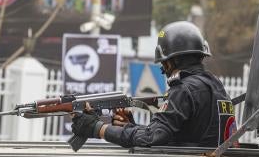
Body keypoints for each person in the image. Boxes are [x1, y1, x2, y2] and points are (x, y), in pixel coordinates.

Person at [71, 21, 237, 147]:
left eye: (164, 63)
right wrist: (130, 128)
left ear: (171, 61)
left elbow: (152, 138)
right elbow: (177, 136)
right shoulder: (215, 86)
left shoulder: (184, 90)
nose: (164, 69)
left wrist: (97, 128)